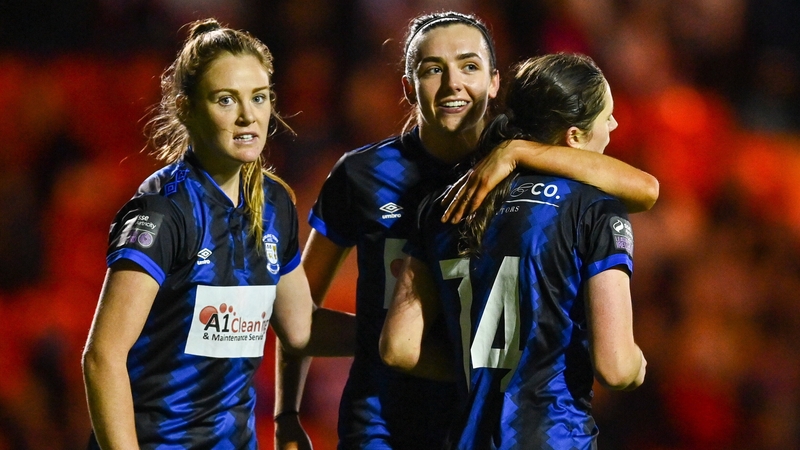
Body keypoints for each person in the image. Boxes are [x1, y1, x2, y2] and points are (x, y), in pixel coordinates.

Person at [275, 12, 657, 450]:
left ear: (495, 82)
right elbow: (300, 319)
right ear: (407, 87)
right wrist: (287, 413)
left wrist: (516, 152)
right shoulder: (362, 174)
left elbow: (644, 188)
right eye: (433, 69)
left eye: (469, 66)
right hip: (385, 423)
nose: (453, 82)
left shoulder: (496, 175)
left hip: (466, 424)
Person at [81, 19, 354, 449]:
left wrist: (392, 335)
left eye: (259, 98)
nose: (248, 115)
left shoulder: (275, 203)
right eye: (226, 100)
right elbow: (102, 357)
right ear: (187, 108)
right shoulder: (164, 211)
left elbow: (301, 328)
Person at [380, 53, 647, 449]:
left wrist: (482, 369)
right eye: (606, 115)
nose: (613, 125)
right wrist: (638, 366)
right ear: (574, 137)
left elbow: (398, 348)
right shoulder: (594, 209)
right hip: (554, 436)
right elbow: (616, 367)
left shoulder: (443, 208)